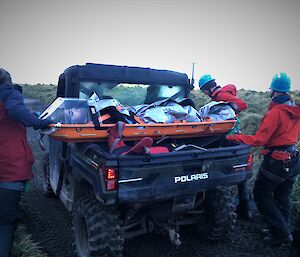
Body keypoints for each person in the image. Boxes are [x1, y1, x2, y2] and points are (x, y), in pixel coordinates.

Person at [226, 72, 300, 246]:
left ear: (274, 91)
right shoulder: (295, 109)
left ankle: (281, 233)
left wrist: (236, 137)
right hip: (294, 158)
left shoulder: (276, 112)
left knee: (261, 194)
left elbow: (260, 140)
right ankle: (282, 229)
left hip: (277, 161)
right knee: (283, 195)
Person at [0, 68, 52, 257]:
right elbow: (15, 110)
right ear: (7, 81)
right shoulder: (8, 93)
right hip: (7, 168)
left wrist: (32, 114)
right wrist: (40, 122)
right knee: (5, 223)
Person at [199, 74, 252, 219]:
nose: (204, 93)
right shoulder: (219, 95)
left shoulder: (221, 95)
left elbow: (242, 105)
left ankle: (240, 207)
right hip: (230, 135)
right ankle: (245, 209)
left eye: (204, 90)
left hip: (229, 136)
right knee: (239, 171)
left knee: (223, 166)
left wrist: (229, 111)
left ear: (208, 88)